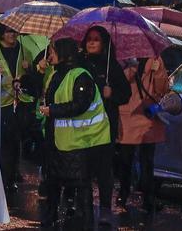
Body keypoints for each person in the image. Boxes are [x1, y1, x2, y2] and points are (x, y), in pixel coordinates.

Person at [38, 38, 111, 229]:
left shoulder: (81, 75)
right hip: (57, 139)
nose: (49, 54)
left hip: (79, 141)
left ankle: (85, 222)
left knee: (80, 183)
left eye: (52, 50)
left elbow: (80, 105)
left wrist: (53, 110)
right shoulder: (56, 74)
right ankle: (50, 218)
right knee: (53, 181)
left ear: (63, 53)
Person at [80, 25, 129, 221]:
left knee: (103, 169)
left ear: (104, 43)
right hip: (83, 126)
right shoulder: (80, 64)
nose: (91, 42)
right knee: (83, 168)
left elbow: (126, 94)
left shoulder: (112, 66)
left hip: (105, 126)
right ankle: (84, 207)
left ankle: (105, 208)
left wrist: (112, 94)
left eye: (96, 39)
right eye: (89, 38)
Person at [0, 24, 35, 199]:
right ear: (1, 34)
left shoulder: (25, 51)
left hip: (21, 103)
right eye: (8, 32)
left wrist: (30, 69)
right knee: (4, 143)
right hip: (1, 104)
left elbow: (33, 78)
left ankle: (12, 174)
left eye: (14, 31)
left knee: (16, 141)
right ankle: (4, 177)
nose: (12, 35)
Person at [115, 54, 169, 214]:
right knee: (125, 160)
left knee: (147, 162)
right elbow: (119, 84)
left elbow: (162, 89)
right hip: (128, 115)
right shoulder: (123, 58)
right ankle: (123, 195)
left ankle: (147, 199)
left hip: (147, 115)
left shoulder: (156, 59)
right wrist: (131, 67)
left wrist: (158, 71)